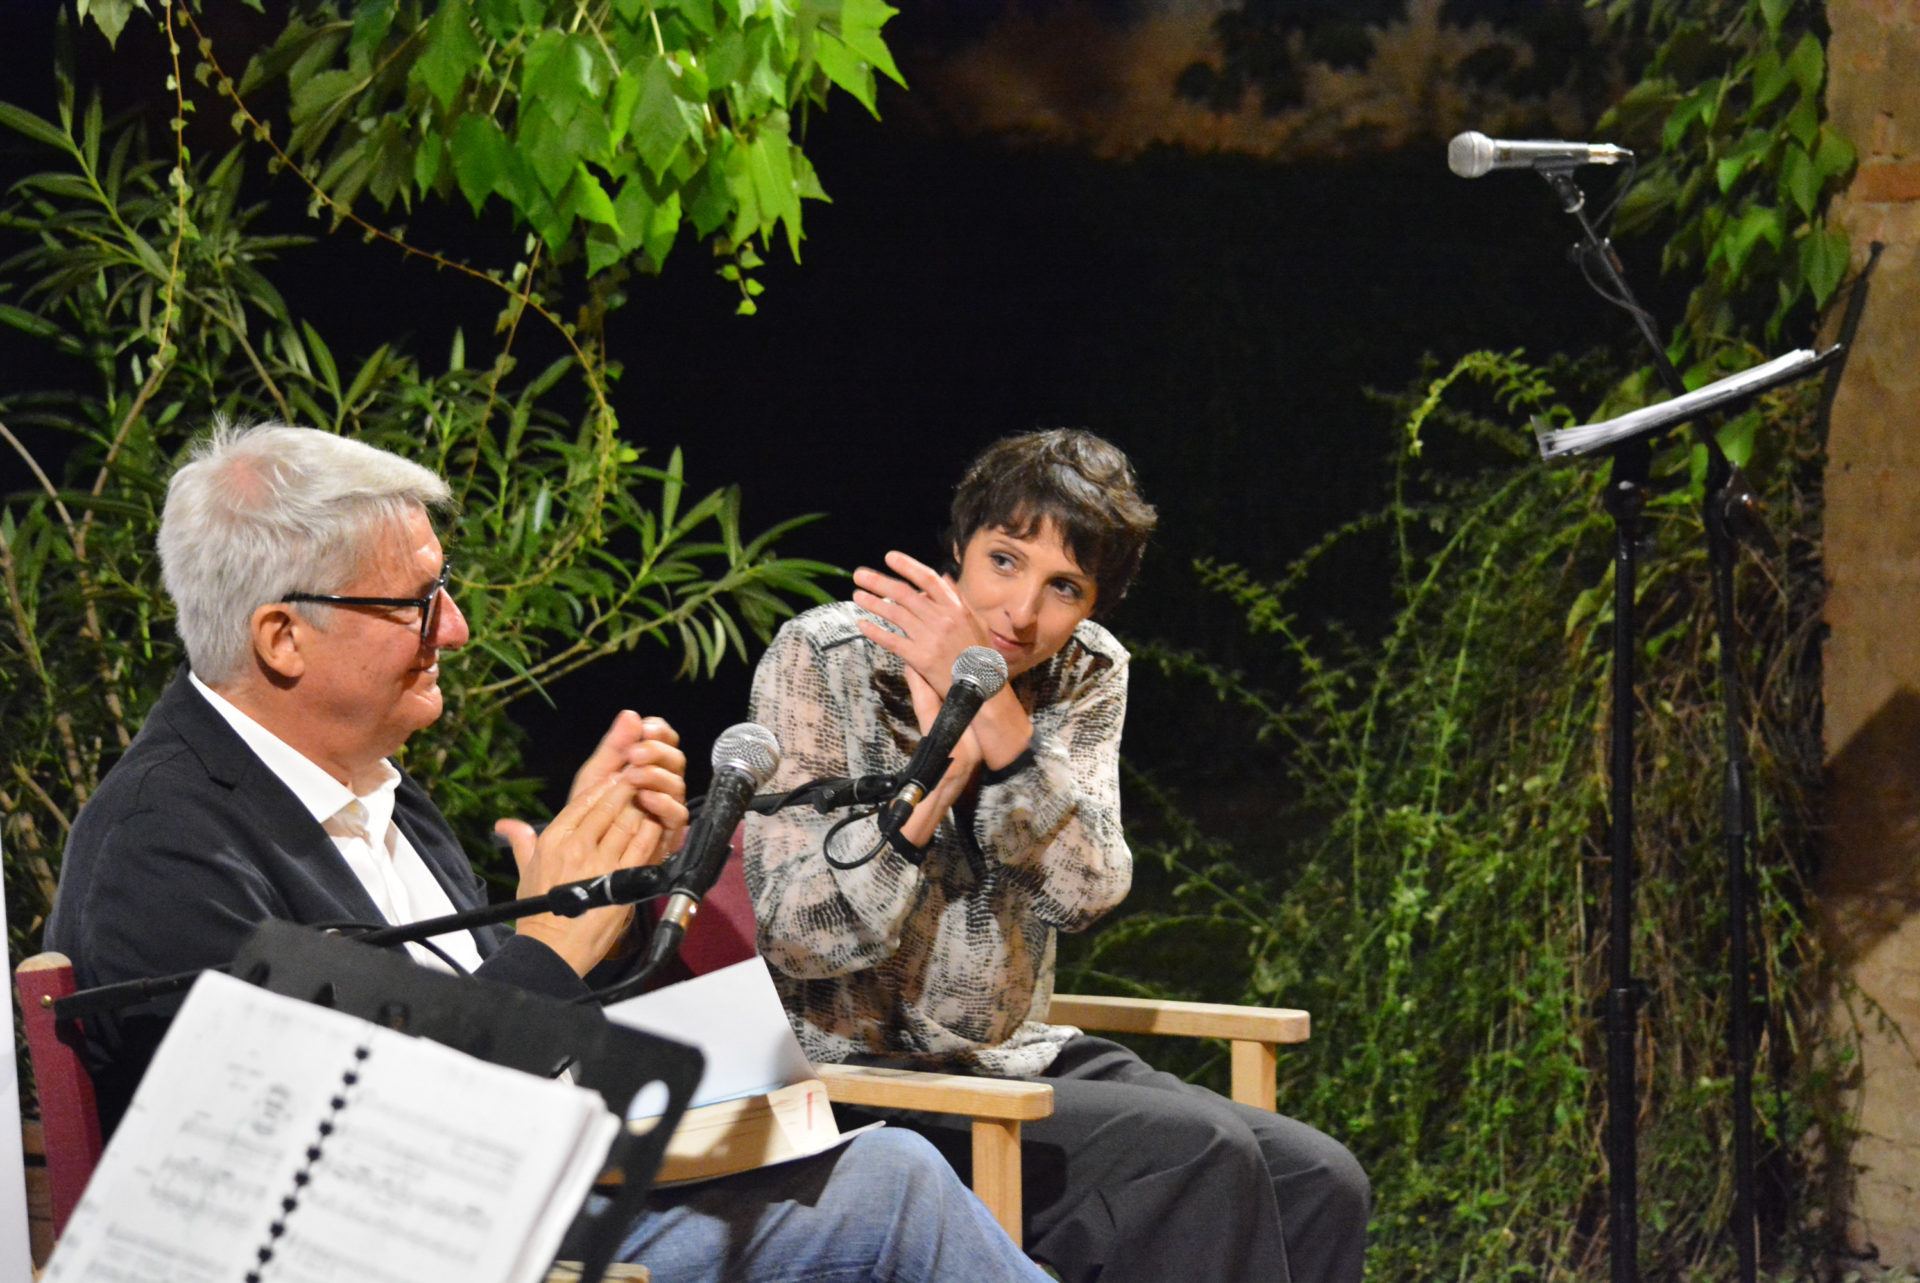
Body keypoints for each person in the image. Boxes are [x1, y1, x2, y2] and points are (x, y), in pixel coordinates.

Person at [45, 421, 1054, 1283]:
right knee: (895, 1192)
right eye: (416, 602)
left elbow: (504, 1032)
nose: (459, 626)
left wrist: (619, 903)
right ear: (282, 638)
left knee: (878, 1166)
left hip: (523, 1210)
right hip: (420, 1254)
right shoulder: (163, 846)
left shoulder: (374, 791)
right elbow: (338, 1149)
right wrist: (550, 939)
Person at [744, 428, 1370, 1282]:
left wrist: (1005, 734)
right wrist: (931, 780)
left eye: (1064, 587)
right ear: (959, 548)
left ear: (1094, 605)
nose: (1021, 612)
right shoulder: (827, 656)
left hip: (1012, 1054)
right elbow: (799, 936)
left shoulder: (1083, 671)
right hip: (858, 1077)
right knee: (1200, 1155)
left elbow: (1088, 887)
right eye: (1004, 561)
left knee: (1320, 1177)